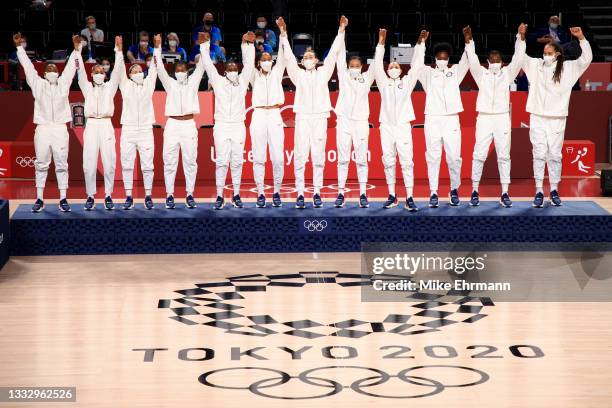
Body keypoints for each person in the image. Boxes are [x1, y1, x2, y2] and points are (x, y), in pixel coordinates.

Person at [281, 16, 347, 209]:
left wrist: (341, 30)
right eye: (306, 57)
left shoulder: (324, 73)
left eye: (311, 57)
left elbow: (334, 53)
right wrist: (284, 34)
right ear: (302, 61)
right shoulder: (298, 74)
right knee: (300, 156)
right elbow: (287, 58)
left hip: (320, 117)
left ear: (317, 60)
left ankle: (317, 192)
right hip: (302, 117)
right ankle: (300, 194)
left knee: (318, 157)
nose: (308, 59)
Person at [521, 27, 592, 207]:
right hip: (537, 116)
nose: (546, 55)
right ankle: (538, 191)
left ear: (558, 54)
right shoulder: (536, 65)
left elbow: (586, 59)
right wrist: (520, 37)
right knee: (538, 154)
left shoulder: (569, 68)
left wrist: (582, 38)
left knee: (554, 155)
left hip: (557, 118)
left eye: (549, 52)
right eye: (545, 52)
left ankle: (553, 190)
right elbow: (521, 57)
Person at [14, 32, 80, 213]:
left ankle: (63, 198)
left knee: (62, 164)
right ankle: (40, 198)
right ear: (44, 74)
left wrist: (76, 50)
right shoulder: (38, 85)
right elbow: (28, 67)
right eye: (49, 69)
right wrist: (20, 49)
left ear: (58, 73)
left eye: (54, 70)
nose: (52, 71)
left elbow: (70, 69)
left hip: (60, 128)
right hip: (42, 128)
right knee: (41, 164)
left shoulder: (63, 83)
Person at [465, 24, 527, 208]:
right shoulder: (480, 74)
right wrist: (469, 40)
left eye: (498, 59)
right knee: (478, 155)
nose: (495, 62)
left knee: (504, 156)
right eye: (492, 59)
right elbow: (473, 58)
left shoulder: (507, 74)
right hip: (484, 117)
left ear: (502, 61)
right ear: (487, 61)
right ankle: (474, 191)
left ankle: (505, 193)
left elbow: (518, 58)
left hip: (501, 118)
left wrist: (520, 37)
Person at [374, 29, 428, 211]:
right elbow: (376, 67)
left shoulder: (407, 82)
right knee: (388, 160)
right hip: (386, 126)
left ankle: (409, 197)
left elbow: (418, 66)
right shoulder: (383, 82)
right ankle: (392, 195)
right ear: (387, 70)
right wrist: (381, 43)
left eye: (396, 66)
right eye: (391, 67)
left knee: (406, 161)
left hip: (403, 126)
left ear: (401, 69)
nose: (394, 68)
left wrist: (421, 44)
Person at [201, 32, 256, 210]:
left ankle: (237, 194)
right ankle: (219, 195)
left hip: (238, 125)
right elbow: (208, 64)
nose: (233, 71)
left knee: (238, 161)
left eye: (235, 69)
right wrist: (205, 45)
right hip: (222, 126)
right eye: (230, 69)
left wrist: (248, 45)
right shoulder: (217, 81)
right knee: (223, 161)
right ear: (224, 71)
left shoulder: (242, 81)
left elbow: (249, 64)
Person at [154, 33, 207, 209]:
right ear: (174, 73)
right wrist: (157, 48)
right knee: (169, 160)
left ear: (187, 71)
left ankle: (189, 194)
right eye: (178, 70)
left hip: (189, 125)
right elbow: (160, 68)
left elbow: (201, 66)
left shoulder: (193, 82)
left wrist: (203, 45)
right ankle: (169, 195)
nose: (181, 73)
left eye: (183, 70)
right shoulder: (170, 84)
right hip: (173, 125)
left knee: (190, 160)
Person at [418, 29, 470, 208]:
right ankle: (433, 192)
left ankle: (454, 190)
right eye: (439, 58)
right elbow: (416, 62)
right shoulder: (426, 73)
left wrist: (468, 40)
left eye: (445, 58)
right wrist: (421, 43)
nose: (442, 60)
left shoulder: (455, 72)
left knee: (454, 158)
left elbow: (467, 60)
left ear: (448, 59)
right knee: (433, 157)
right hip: (432, 118)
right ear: (434, 59)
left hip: (451, 119)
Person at [333, 27, 381, 209]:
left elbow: (376, 64)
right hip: (344, 122)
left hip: (361, 123)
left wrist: (380, 44)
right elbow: (339, 57)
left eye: (356, 66)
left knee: (361, 159)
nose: (353, 68)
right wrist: (342, 30)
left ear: (361, 67)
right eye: (351, 66)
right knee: (343, 159)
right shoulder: (343, 76)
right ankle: (340, 194)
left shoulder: (367, 79)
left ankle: (362, 194)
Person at [76, 36, 124, 211]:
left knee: (109, 161)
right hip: (91, 126)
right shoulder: (87, 87)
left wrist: (118, 51)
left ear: (105, 74)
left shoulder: (110, 87)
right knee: (89, 162)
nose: (98, 74)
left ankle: (108, 195)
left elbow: (118, 71)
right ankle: (90, 195)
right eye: (95, 71)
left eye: (101, 72)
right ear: (92, 74)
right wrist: (78, 51)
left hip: (106, 124)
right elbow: (80, 71)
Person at [249, 17, 287, 209]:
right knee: (258, 156)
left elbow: (282, 55)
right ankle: (261, 193)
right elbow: (248, 61)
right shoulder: (254, 76)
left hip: (274, 115)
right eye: (263, 59)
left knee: (278, 156)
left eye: (268, 59)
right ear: (258, 63)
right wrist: (246, 44)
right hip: (258, 116)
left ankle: (277, 192)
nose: (266, 61)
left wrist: (282, 33)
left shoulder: (277, 73)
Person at [118, 52, 159, 210]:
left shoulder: (149, 84)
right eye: (134, 71)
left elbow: (154, 68)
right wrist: (119, 51)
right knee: (127, 164)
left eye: (140, 71)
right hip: (128, 129)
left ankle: (148, 196)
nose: (138, 73)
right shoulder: (125, 85)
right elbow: (120, 69)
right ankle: (128, 196)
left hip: (145, 129)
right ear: (129, 75)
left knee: (148, 165)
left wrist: (157, 49)